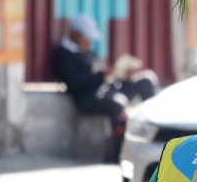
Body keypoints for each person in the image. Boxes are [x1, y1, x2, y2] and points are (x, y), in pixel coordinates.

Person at [49, 15, 158, 162]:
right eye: (86, 38)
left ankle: (153, 130)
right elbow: (76, 84)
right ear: (75, 34)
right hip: (88, 97)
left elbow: (100, 72)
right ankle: (118, 152)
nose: (89, 42)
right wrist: (101, 76)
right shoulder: (63, 55)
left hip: (109, 88)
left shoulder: (88, 52)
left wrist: (120, 74)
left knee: (146, 80)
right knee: (118, 103)